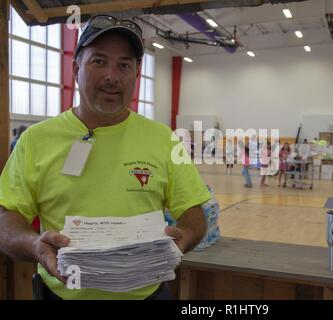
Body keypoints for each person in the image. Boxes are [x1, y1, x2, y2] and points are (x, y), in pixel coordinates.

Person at [0, 15, 211, 300]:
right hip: (62, 294)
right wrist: (34, 244)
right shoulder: (35, 140)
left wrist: (184, 236)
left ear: (136, 75)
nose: (112, 76)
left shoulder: (163, 139)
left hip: (147, 295)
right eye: (99, 61)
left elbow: (193, 212)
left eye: (124, 65)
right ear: (76, 69)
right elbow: (6, 217)